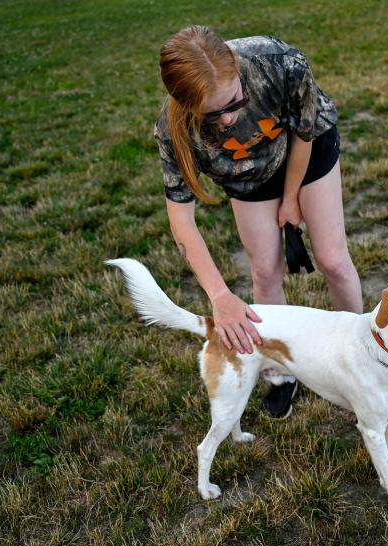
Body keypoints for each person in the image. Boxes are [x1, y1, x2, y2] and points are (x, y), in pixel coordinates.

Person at [154, 27, 362, 418]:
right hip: (246, 177)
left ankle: (359, 360)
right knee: (265, 272)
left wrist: (291, 198)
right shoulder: (172, 129)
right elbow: (181, 222)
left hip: (307, 150)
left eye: (234, 102)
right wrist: (219, 296)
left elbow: (305, 131)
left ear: (235, 69)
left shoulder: (280, 63)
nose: (229, 118)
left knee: (333, 260)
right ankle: (280, 372)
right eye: (212, 114)